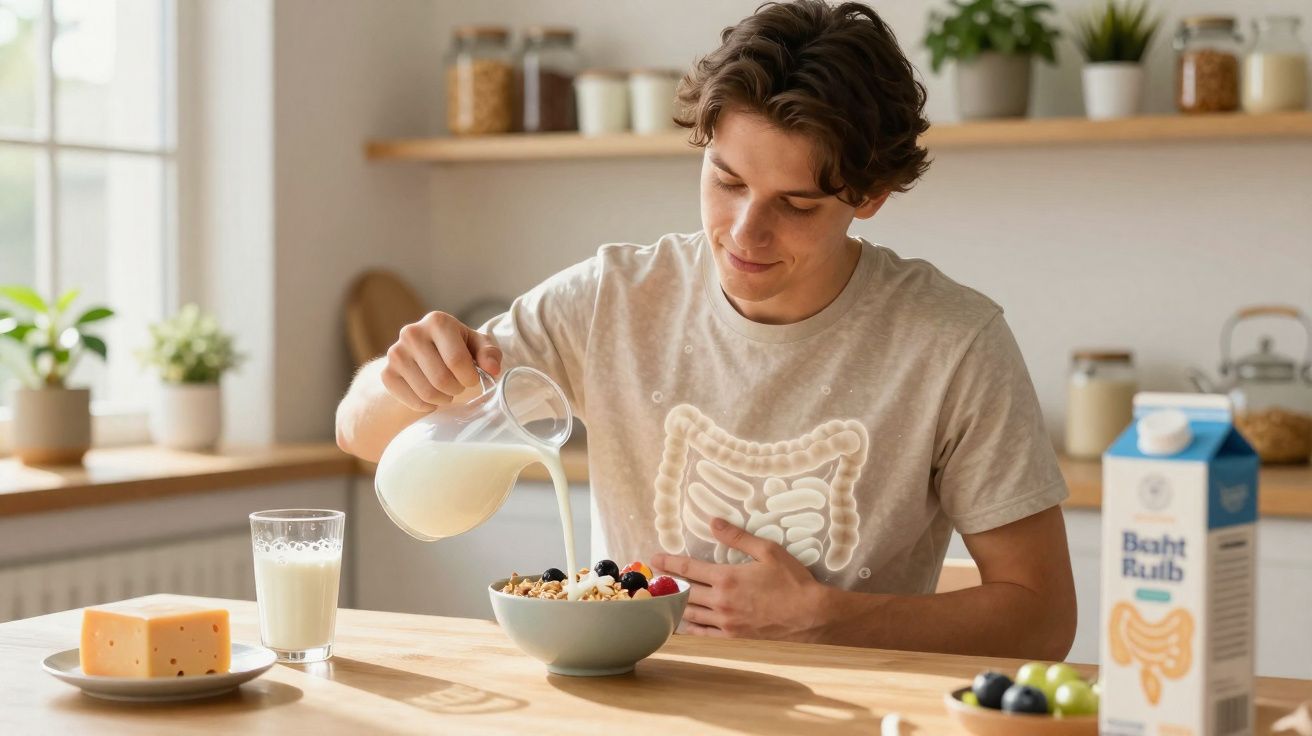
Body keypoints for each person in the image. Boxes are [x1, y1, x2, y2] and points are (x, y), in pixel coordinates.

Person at [336, 0, 1076, 659]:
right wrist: (405, 378)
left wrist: (833, 619)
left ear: (871, 194)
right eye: (726, 182)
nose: (746, 233)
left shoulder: (954, 343)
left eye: (796, 203)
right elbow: (361, 435)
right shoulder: (614, 301)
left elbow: (1043, 618)